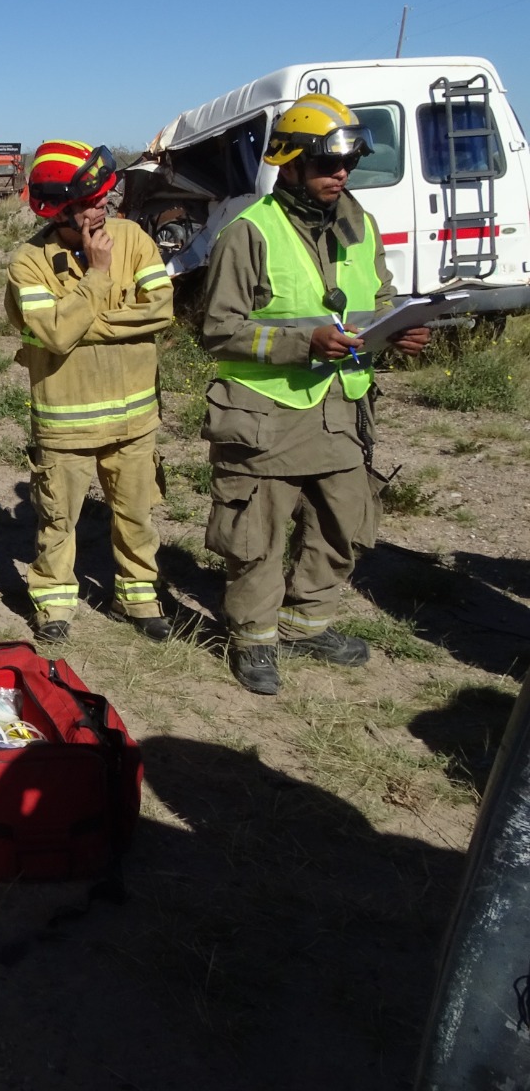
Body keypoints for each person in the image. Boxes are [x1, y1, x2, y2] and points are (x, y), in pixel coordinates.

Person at [200, 94, 430, 695]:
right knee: (256, 534)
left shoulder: (361, 225)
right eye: (329, 165)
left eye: (348, 164)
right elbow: (218, 330)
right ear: (292, 163)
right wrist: (305, 342)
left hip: (342, 410)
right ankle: (253, 639)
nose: (341, 176)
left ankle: (307, 622)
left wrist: (398, 329)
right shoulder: (248, 233)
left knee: (342, 522)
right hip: (265, 417)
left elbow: (376, 300)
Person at [5, 140, 175, 644]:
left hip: (136, 422)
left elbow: (160, 311)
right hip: (65, 427)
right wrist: (99, 278)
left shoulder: (135, 239)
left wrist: (81, 319)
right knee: (58, 521)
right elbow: (54, 335)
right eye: (91, 199)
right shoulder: (28, 263)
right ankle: (54, 604)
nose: (104, 204)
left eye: (104, 194)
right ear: (60, 208)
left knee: (137, 515)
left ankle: (138, 596)